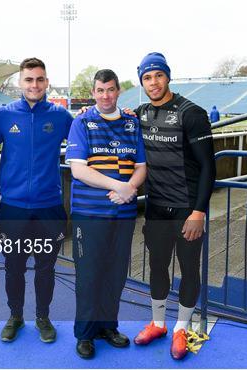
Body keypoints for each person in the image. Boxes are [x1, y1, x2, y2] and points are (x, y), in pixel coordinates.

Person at [132, 52, 215, 360]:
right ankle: (157, 323)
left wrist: (198, 212)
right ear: (141, 81)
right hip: (156, 208)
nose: (153, 82)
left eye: (158, 76)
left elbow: (209, 166)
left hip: (186, 209)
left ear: (168, 77)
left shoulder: (190, 113)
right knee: (156, 267)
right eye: (147, 77)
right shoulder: (139, 113)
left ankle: (180, 327)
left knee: (189, 269)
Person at [65, 69, 146, 359]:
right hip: (89, 214)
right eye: (100, 90)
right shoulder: (82, 121)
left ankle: (107, 326)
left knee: (115, 274)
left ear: (118, 91)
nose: (105, 96)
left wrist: (131, 188)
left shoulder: (131, 124)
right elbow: (79, 169)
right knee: (88, 275)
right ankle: (85, 334)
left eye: (110, 90)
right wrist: (120, 187)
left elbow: (140, 165)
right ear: (93, 92)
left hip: (122, 216)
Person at [0, 57, 73, 343]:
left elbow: (88, 137)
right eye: (29, 79)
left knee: (45, 268)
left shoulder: (61, 117)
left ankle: (43, 316)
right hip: (13, 207)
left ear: (47, 82)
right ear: (19, 82)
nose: (34, 84)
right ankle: (15, 316)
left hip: (49, 207)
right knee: (13, 268)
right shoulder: (2, 116)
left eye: (40, 79)